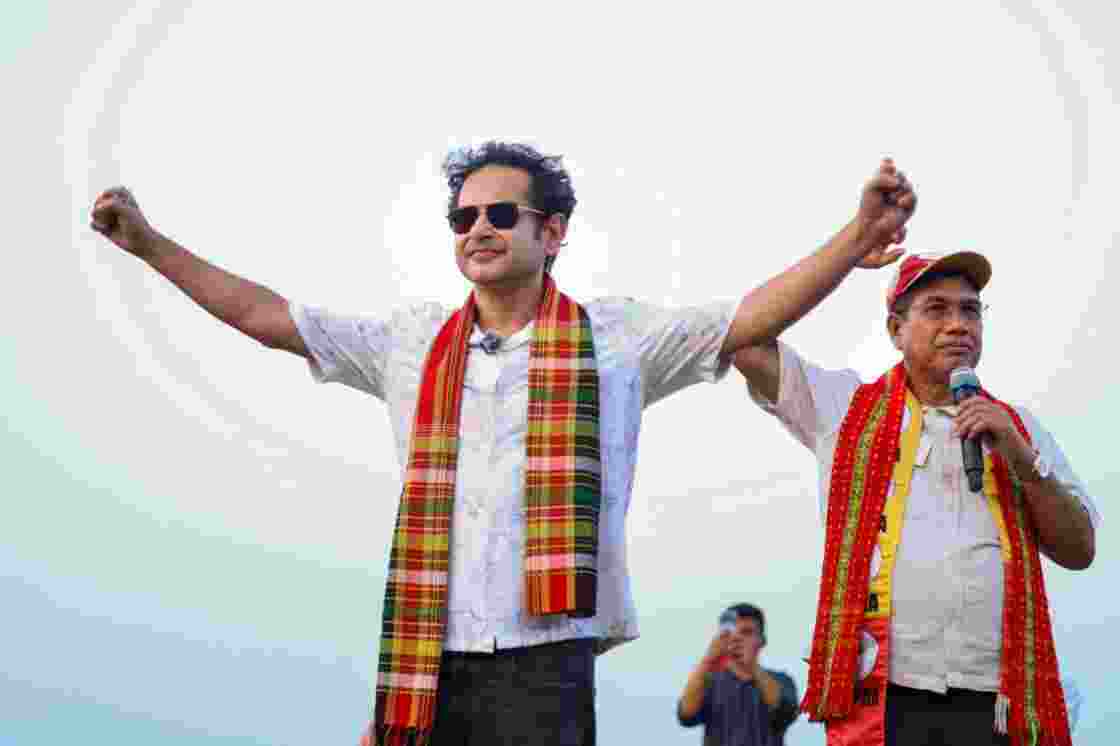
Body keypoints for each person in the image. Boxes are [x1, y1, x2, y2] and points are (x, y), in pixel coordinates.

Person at [89, 141, 915, 746]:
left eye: (498, 214)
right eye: (462, 216)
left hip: (547, 661)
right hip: (426, 657)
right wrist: (149, 246)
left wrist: (855, 237)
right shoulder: (412, 342)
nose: (476, 229)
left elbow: (748, 319)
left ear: (552, 233)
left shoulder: (615, 339)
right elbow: (267, 317)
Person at [733, 251, 1100, 746]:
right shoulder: (843, 409)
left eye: (971, 311)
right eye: (936, 309)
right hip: (884, 697)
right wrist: (852, 246)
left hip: (997, 698)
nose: (957, 325)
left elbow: (1080, 550)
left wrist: (1020, 458)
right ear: (895, 329)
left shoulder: (1020, 428)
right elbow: (744, 339)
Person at [679, 604, 799, 746]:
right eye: (729, 633)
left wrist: (751, 667)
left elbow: (785, 712)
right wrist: (708, 660)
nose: (737, 639)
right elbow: (686, 715)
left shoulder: (782, 681)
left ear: (761, 640)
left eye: (746, 632)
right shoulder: (710, 682)